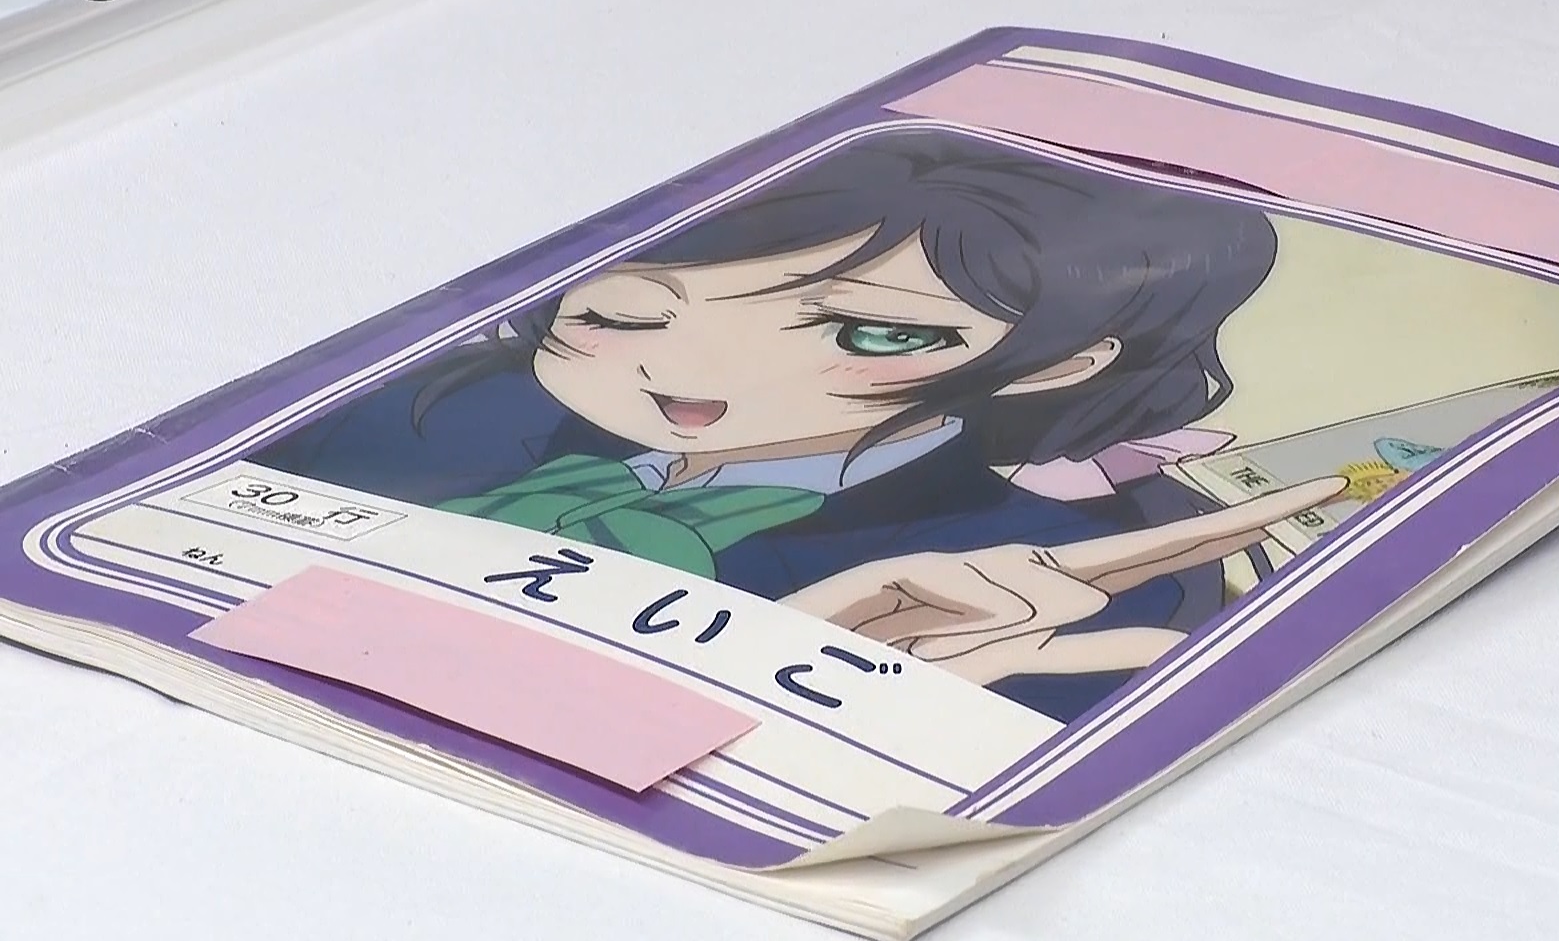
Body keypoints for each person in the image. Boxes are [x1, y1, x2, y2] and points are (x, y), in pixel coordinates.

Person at [253, 130, 1344, 722]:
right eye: (641, 302)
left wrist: (823, 692)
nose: (682, 360)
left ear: (1061, 363)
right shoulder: (434, 406)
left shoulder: (1052, 578)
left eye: (876, 333)